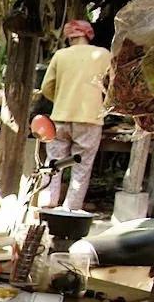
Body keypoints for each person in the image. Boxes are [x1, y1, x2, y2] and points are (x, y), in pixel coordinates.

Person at [40, 19, 112, 211]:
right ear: (88, 35)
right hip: (90, 118)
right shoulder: (103, 55)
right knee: (82, 166)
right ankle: (71, 209)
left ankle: (46, 203)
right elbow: (114, 86)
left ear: (70, 37)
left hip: (60, 117)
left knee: (53, 163)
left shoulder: (60, 55)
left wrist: (61, 99)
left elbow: (46, 87)